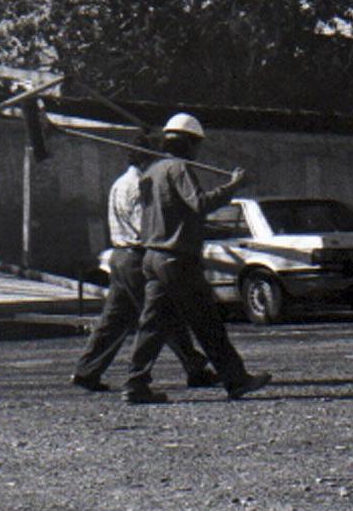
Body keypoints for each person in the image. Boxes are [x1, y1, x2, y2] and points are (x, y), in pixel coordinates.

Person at [122, 113, 271, 405]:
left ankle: (135, 384)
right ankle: (237, 379)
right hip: (177, 259)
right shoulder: (179, 168)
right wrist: (233, 185)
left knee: (152, 326)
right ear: (190, 143)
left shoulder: (151, 171)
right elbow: (199, 204)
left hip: (152, 257)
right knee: (207, 322)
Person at [71, 135, 219, 392]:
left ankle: (87, 370)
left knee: (115, 319)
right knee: (163, 315)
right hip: (138, 257)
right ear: (145, 157)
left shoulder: (119, 183)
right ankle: (194, 368)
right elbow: (148, 227)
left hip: (119, 256)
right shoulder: (141, 185)